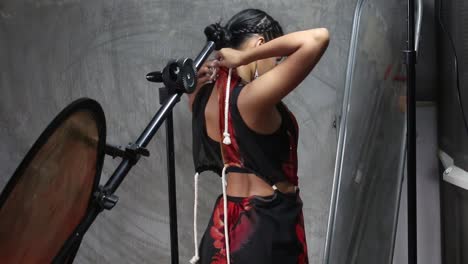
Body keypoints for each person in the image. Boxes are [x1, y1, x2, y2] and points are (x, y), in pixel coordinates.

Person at [188, 8, 329, 264]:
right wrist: (248, 57)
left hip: (224, 234)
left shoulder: (200, 96)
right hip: (267, 229)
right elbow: (318, 38)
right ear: (261, 44)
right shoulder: (251, 99)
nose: (275, 65)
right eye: (275, 58)